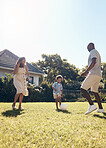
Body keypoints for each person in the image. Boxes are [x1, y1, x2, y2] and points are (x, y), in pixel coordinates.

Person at [81, 43, 104, 115]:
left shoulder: (93, 51)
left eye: (88, 47)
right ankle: (101, 108)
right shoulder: (96, 52)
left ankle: (92, 105)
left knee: (83, 89)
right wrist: (88, 73)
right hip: (98, 74)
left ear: (91, 46)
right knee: (95, 91)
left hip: (94, 74)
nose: (87, 49)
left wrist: (86, 71)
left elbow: (93, 61)